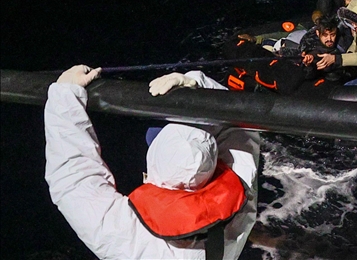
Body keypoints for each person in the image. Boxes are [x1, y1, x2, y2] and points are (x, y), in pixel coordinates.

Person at [45, 65, 260, 259]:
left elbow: (74, 180)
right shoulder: (239, 203)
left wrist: (65, 94)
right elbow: (240, 128)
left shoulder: (132, 240)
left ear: (149, 173)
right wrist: (198, 88)